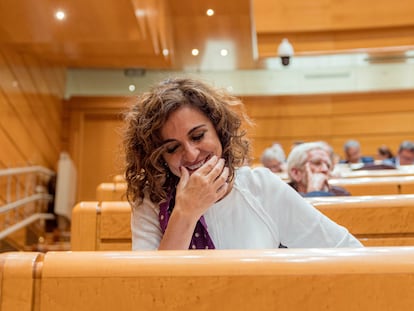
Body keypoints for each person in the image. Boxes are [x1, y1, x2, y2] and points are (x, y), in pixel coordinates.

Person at [123, 77, 362, 250]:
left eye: (198, 136)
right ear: (159, 157)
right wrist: (185, 213)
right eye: (172, 148)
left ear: (219, 131)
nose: (192, 154)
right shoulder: (150, 202)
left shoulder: (261, 187)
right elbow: (150, 290)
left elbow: (345, 249)